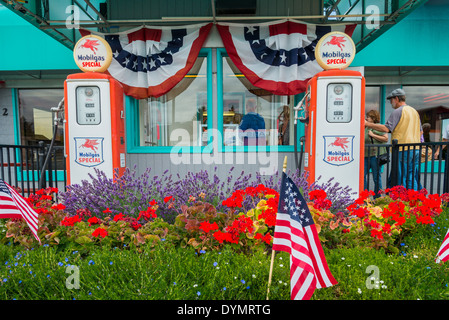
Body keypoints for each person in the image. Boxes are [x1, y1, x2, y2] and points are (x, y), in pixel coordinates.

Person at [364, 88, 422, 190]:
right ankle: (414, 200)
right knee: (412, 177)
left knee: (400, 178)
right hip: (416, 149)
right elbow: (420, 131)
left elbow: (386, 129)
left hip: (402, 149)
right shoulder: (414, 111)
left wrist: (368, 124)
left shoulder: (398, 111)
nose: (391, 103)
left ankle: (402, 201)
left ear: (396, 98)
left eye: (391, 100)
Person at [364, 110, 388, 197]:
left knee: (376, 177)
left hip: (375, 156)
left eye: (369, 117)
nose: (366, 118)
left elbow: (385, 138)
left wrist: (373, 135)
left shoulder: (377, 127)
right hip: (365, 156)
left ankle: (377, 198)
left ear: (373, 118)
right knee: (362, 176)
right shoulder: (366, 127)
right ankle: (365, 197)